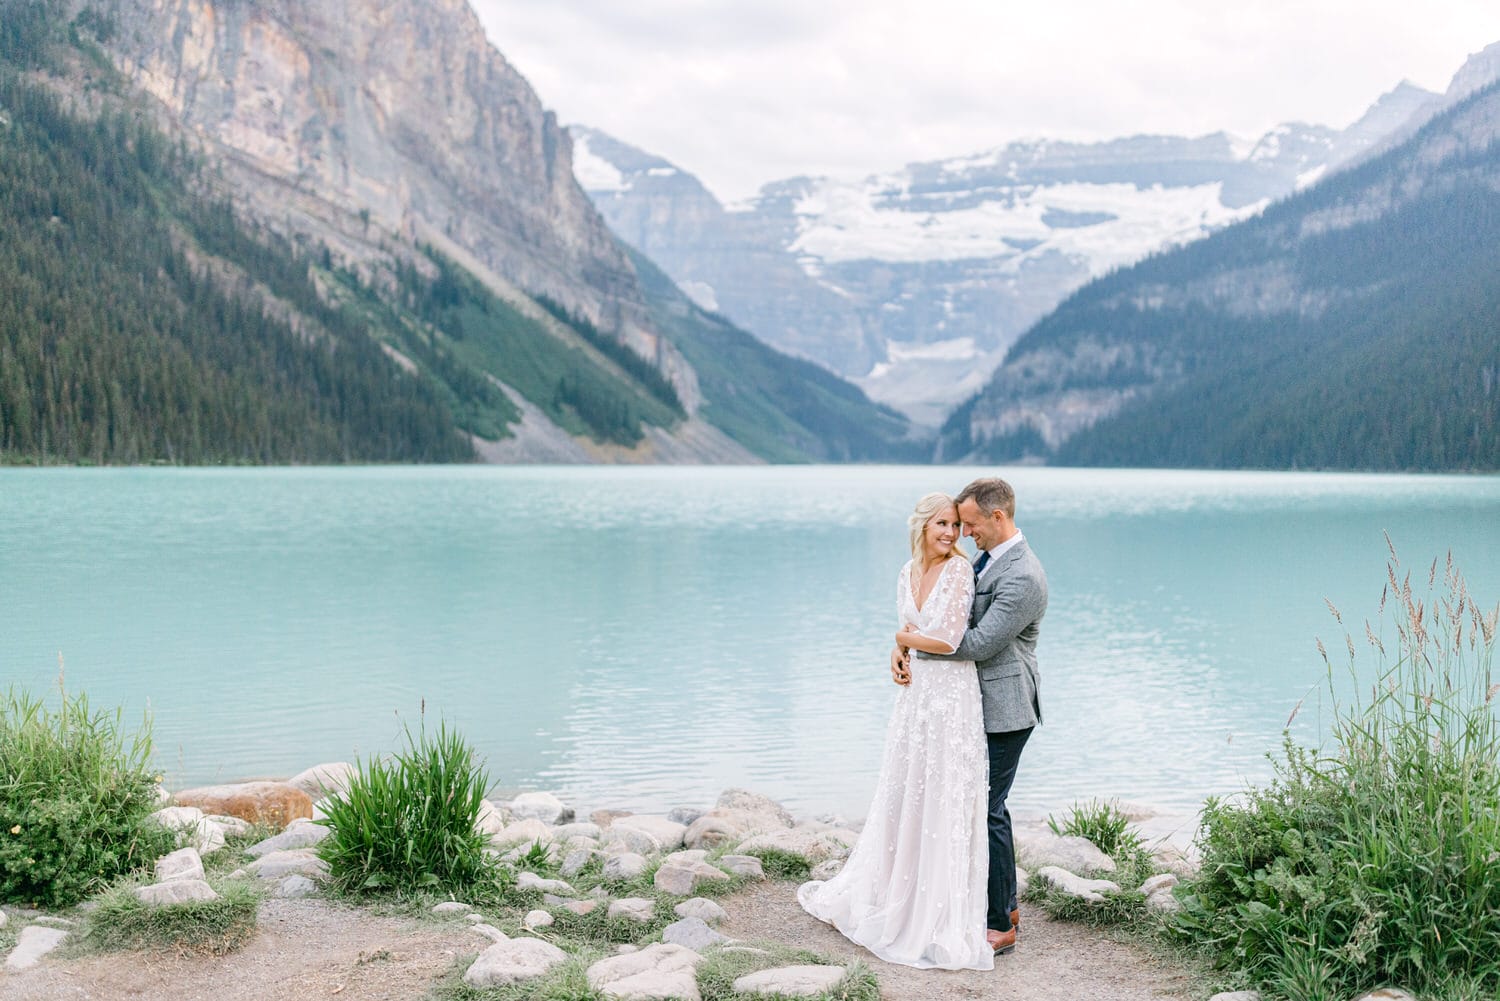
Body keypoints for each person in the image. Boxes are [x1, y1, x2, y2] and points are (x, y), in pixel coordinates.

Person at [797, 493, 993, 971]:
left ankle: (934, 913)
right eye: (941, 524)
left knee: (943, 791)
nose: (950, 533)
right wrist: (899, 649)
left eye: (954, 525)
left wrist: (901, 641)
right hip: (916, 697)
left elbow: (946, 640)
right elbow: (909, 624)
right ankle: (894, 891)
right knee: (908, 788)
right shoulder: (906, 572)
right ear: (923, 526)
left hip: (951, 697)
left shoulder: (960, 572)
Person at [895, 476, 1047, 956]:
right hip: (971, 705)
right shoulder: (987, 559)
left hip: (1007, 709)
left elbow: (977, 644)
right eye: (957, 523)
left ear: (997, 517)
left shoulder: (1023, 575)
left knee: (987, 808)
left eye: (971, 524)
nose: (964, 533)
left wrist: (907, 642)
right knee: (981, 805)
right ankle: (1007, 902)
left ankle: (1000, 924)